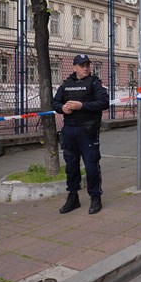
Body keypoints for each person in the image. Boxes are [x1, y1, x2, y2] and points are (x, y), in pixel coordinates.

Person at [52, 54, 109, 215]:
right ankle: (73, 197)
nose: (85, 68)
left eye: (87, 65)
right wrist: (62, 108)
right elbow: (55, 102)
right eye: (82, 65)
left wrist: (81, 105)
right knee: (71, 166)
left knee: (91, 166)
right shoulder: (66, 84)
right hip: (69, 130)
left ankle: (95, 197)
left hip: (87, 130)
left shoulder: (94, 83)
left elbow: (104, 102)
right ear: (74, 67)